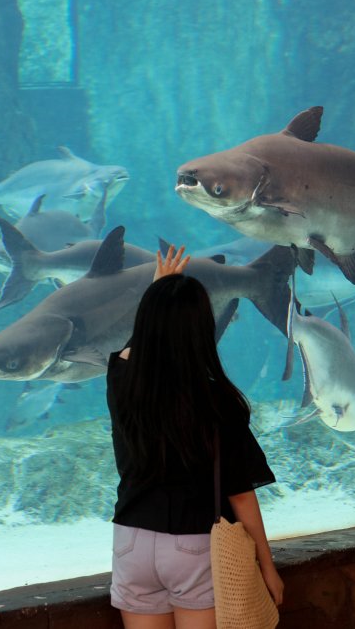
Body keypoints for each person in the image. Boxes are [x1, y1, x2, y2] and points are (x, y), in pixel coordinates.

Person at [106, 245, 283, 629]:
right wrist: (267, 566)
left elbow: (132, 350)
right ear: (203, 329)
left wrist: (158, 292)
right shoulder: (215, 399)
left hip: (131, 542)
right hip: (191, 544)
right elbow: (241, 494)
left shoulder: (121, 380)